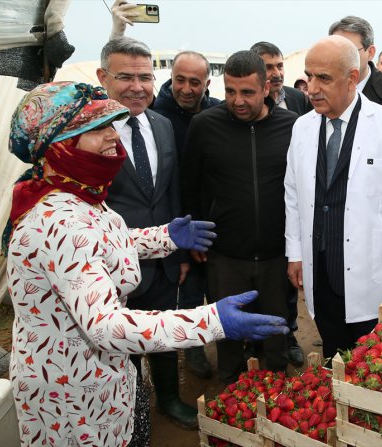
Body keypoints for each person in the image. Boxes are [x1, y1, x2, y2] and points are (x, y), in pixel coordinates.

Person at [4, 81, 288, 447]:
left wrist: (165, 237)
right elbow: (106, 326)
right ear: (59, 146)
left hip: (104, 377)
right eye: (97, 129)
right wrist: (211, 321)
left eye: (111, 125)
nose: (112, 137)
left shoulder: (77, 195)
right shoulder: (59, 221)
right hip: (72, 396)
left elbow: (98, 246)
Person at [285, 35, 382, 360]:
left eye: (324, 78)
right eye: (309, 76)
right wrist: (295, 253)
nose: (312, 87)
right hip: (322, 269)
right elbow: (293, 195)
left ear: (351, 78)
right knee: (336, 358)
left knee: (379, 366)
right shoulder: (302, 128)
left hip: (377, 274)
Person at [96, 37, 198, 429]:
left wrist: (179, 253)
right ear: (103, 76)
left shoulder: (162, 124)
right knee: (119, 341)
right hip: (108, 265)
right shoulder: (86, 133)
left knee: (163, 330)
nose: (137, 86)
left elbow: (170, 191)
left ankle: (170, 399)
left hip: (161, 260)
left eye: (145, 77)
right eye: (126, 77)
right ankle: (131, 409)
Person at [181, 50, 297, 383]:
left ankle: (277, 399)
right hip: (225, 255)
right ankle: (230, 400)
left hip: (277, 254)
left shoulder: (292, 127)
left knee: (276, 333)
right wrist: (196, 236)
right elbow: (190, 185)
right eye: (230, 91)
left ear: (267, 88)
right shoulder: (204, 125)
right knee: (228, 334)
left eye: (246, 92)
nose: (237, 100)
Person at [151, 50, 221, 378]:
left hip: (214, 217)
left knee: (220, 287)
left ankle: (229, 343)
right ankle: (193, 348)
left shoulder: (218, 111)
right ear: (171, 78)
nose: (187, 88)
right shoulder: (155, 114)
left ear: (207, 83)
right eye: (180, 80)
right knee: (191, 290)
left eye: (195, 82)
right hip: (178, 221)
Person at [249, 40, 307, 367]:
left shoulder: (299, 100)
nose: (275, 73)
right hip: (261, 206)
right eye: (268, 67)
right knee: (258, 281)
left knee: (288, 280)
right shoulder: (244, 106)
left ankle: (289, 333)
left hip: (294, 208)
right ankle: (254, 339)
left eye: (279, 65)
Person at [329, 16, 382, 106]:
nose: (341, 58)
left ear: (370, 53)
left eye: (350, 51)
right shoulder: (319, 89)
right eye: (335, 51)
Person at [250, 41, 310, 116]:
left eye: (280, 66)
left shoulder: (299, 97)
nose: (277, 74)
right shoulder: (248, 102)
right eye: (268, 68)